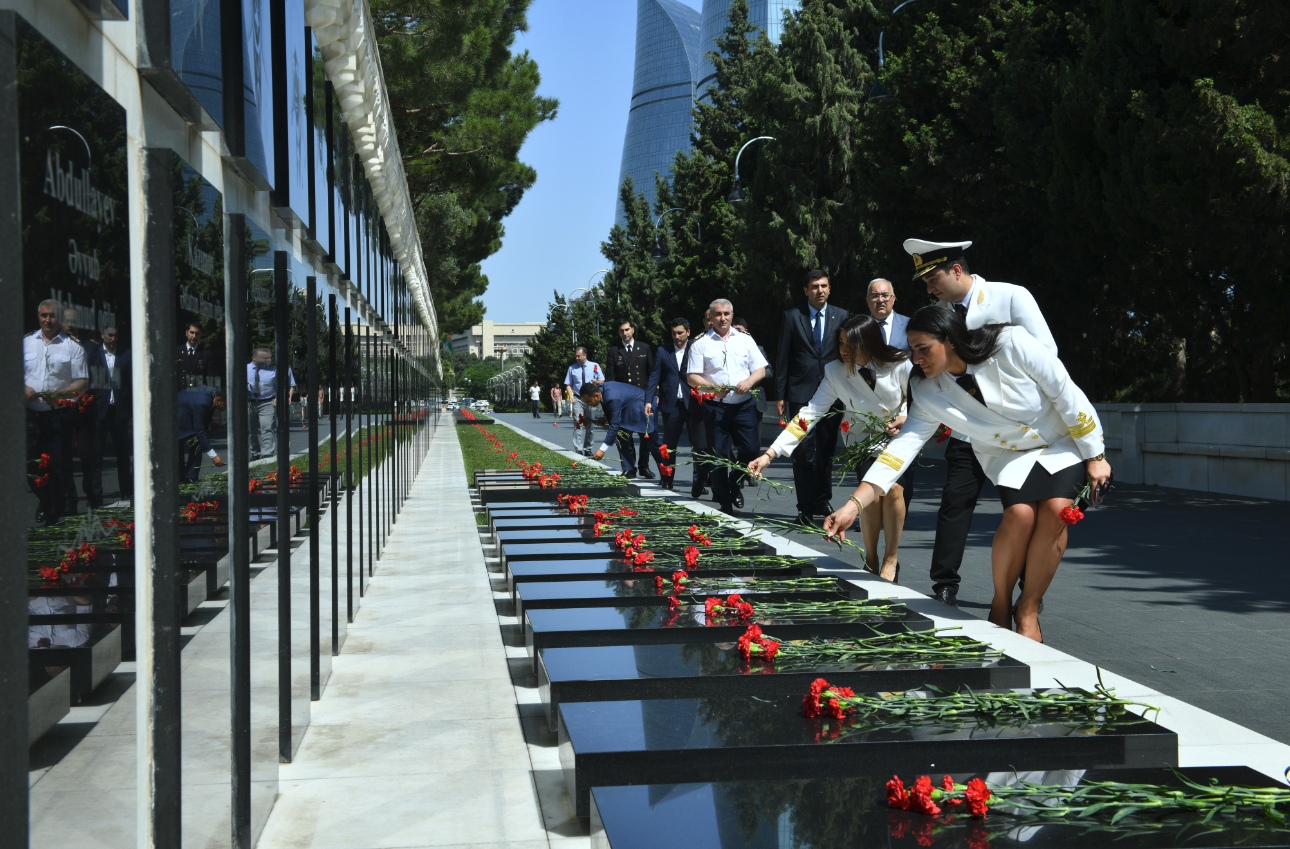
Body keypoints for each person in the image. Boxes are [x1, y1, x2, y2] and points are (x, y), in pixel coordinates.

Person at [823, 307, 1110, 642]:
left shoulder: (1010, 343)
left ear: (950, 340)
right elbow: (899, 452)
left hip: (1061, 442)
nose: (916, 358)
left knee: (1056, 510)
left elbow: (1066, 393)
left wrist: (1096, 455)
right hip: (1006, 455)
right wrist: (852, 506)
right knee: (1019, 515)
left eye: (923, 348)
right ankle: (1001, 603)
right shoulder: (928, 390)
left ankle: (1028, 609)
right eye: (912, 350)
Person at [907, 239, 1058, 607]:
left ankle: (1025, 592)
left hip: (1017, 432)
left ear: (956, 269)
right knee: (955, 504)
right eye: (925, 282)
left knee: (1026, 512)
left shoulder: (1010, 297)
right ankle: (944, 582)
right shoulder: (938, 315)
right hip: (967, 430)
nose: (929, 289)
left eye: (933, 278)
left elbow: (1045, 355)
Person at [750, 314, 913, 580]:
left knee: (894, 490)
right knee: (871, 497)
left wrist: (906, 417)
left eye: (852, 344)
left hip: (901, 438)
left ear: (869, 342)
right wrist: (770, 454)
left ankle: (891, 559)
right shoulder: (835, 371)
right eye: (840, 343)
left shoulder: (899, 363)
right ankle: (871, 557)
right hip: (864, 440)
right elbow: (810, 414)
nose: (844, 351)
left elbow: (917, 400)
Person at [774, 269, 850, 523]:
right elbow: (783, 357)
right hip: (800, 393)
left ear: (830, 289)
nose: (820, 290)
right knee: (803, 451)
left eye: (824, 286)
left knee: (826, 450)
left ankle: (821, 500)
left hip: (834, 392)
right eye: (815, 286)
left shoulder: (842, 316)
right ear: (806, 290)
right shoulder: (792, 316)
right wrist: (780, 394)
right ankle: (804, 507)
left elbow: (846, 355)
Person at [688, 299, 768, 515]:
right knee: (719, 456)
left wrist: (749, 383)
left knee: (751, 450)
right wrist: (712, 387)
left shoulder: (745, 340)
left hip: (743, 406)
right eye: (718, 314)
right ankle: (725, 501)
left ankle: (735, 481)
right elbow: (692, 377)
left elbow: (760, 370)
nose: (723, 318)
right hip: (716, 407)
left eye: (726, 314)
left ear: (732, 315)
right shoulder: (700, 343)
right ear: (711, 317)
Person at [25, 299, 88, 525]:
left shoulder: (73, 347)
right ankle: (45, 500)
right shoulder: (25, 344)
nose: (47, 320)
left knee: (59, 466)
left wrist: (60, 393)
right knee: (29, 464)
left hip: (58, 414)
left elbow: (82, 383)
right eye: (43, 315)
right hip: (31, 414)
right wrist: (23, 389)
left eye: (52, 316)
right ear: (38, 316)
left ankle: (54, 511)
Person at [644, 317, 710, 494]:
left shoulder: (696, 348)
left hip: (695, 404)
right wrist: (649, 400)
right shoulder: (663, 351)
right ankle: (667, 479)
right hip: (671, 405)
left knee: (699, 446)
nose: (677, 336)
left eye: (680, 332)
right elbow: (654, 377)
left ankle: (699, 482)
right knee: (669, 445)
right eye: (673, 333)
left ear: (688, 332)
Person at [607, 319, 658, 478]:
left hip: (643, 398)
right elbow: (610, 379)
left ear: (633, 330)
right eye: (622, 330)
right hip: (624, 402)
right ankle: (629, 467)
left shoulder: (644, 348)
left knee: (645, 435)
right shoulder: (614, 351)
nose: (625, 333)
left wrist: (655, 395)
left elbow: (652, 374)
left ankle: (644, 466)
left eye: (627, 329)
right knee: (624, 436)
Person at [580, 381, 665, 476]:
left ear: (597, 395)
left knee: (653, 443)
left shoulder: (611, 396)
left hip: (644, 408)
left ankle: (665, 472)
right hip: (629, 408)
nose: (587, 404)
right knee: (622, 436)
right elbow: (612, 405)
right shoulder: (601, 390)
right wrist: (604, 418)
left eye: (588, 401)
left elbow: (615, 424)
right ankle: (629, 469)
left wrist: (603, 449)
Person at [97, 327, 133, 507]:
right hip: (100, 410)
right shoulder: (95, 354)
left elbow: (132, 382)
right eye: (110, 334)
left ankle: (126, 490)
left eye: (116, 335)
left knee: (123, 453)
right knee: (96, 454)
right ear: (102, 335)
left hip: (120, 410)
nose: (113, 338)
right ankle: (96, 496)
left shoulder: (127, 355)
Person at [246, 347, 296, 461]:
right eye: (265, 358)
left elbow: (279, 386)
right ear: (254, 358)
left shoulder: (273, 370)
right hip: (250, 403)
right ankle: (255, 452)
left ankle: (267, 453)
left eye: (269, 357)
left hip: (267, 402)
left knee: (267, 427)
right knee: (251, 430)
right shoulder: (245, 369)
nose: (268, 359)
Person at [178, 386, 227, 482]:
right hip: (178, 414)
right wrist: (213, 455)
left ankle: (190, 477)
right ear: (217, 400)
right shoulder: (202, 402)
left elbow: (205, 412)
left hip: (189, 411)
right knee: (178, 447)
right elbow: (200, 430)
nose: (226, 409)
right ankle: (179, 476)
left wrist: (211, 423)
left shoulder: (215, 394)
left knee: (197, 444)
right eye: (225, 405)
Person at [563, 347, 604, 456]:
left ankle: (588, 448)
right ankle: (579, 448)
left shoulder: (595, 366)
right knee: (578, 423)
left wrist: (597, 381)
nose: (576, 358)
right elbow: (568, 384)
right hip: (578, 398)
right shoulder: (572, 368)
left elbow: (602, 380)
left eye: (578, 356)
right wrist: (571, 395)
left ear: (585, 356)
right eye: (576, 356)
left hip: (590, 399)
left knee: (590, 424)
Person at [866, 278, 910, 350]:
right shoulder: (859, 328)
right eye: (875, 296)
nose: (880, 300)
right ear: (868, 301)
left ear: (893, 299)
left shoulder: (909, 324)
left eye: (885, 295)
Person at [178, 322, 212, 389]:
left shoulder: (207, 355)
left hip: (198, 395)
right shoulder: (176, 352)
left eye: (197, 333)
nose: (194, 336)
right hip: (179, 395)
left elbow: (210, 379)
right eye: (192, 332)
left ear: (200, 335)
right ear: (186, 333)